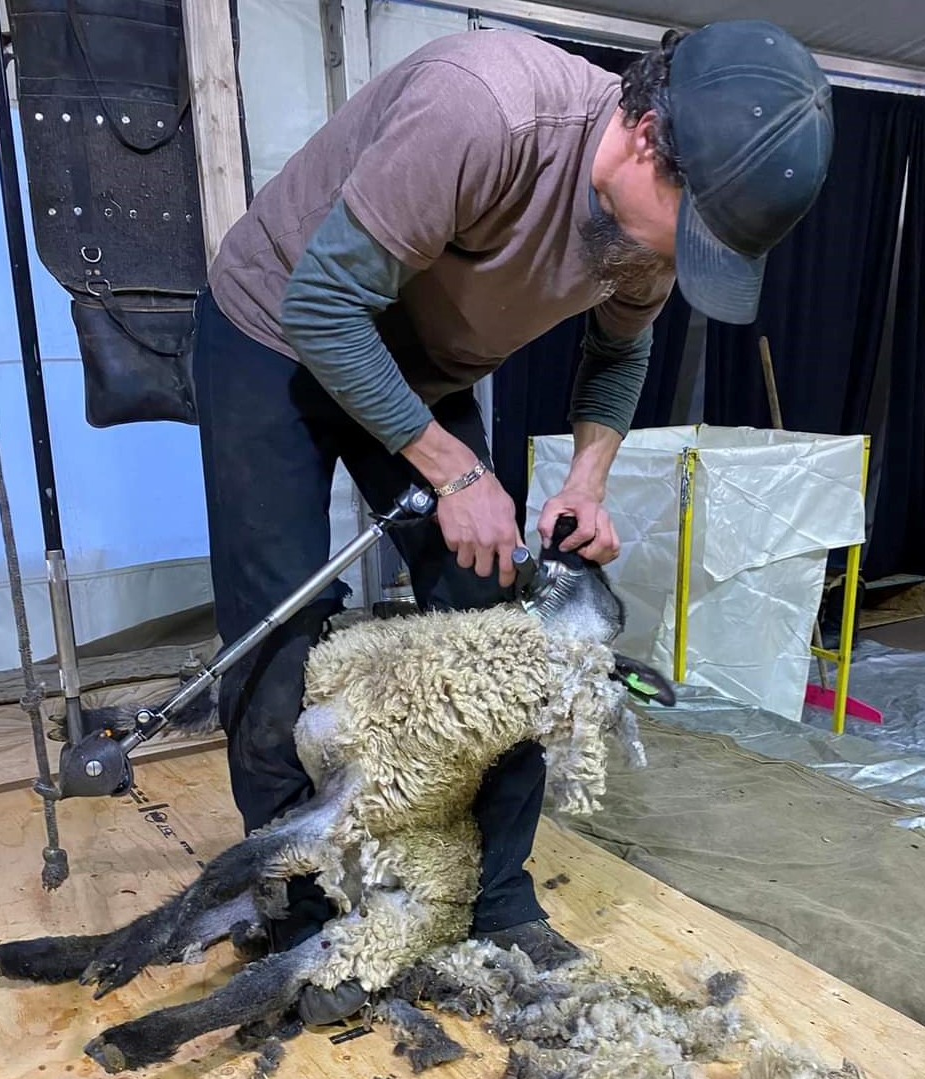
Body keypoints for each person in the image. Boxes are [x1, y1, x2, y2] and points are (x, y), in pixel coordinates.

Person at [193, 20, 833, 1023]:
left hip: (426, 359)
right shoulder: (484, 109)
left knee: (506, 623)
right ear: (643, 133)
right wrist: (451, 470)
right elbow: (324, 307)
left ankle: (495, 897)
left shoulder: (651, 230)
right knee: (279, 624)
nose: (676, 262)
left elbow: (617, 358)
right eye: (690, 230)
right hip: (279, 324)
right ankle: (297, 905)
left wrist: (586, 478)